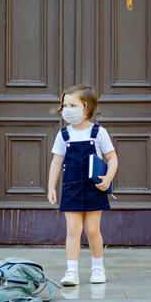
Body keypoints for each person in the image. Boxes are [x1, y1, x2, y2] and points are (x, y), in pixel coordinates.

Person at [47, 85, 118, 286]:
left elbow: (112, 158)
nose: (66, 109)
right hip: (71, 188)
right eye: (64, 105)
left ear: (86, 108)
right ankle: (71, 271)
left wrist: (108, 178)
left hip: (93, 188)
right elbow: (56, 162)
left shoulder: (98, 133)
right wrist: (51, 187)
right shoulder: (63, 135)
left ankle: (97, 268)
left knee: (92, 229)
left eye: (72, 105)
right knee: (73, 229)